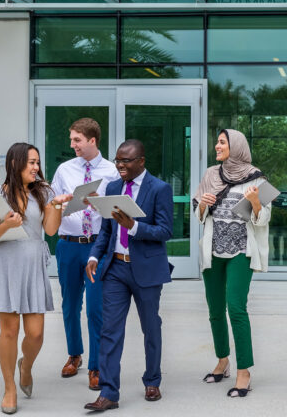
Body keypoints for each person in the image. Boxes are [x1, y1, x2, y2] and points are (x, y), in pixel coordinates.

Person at [0, 142, 72, 414]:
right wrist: (6, 224)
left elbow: (51, 231)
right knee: (8, 331)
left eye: (37, 162)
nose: (36, 167)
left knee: (36, 334)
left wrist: (55, 205)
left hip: (33, 265)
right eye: (31, 162)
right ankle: (9, 388)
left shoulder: (43, 192)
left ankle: (26, 366)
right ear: (14, 164)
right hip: (6, 264)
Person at [84, 139, 174, 411]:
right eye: (118, 160)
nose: (120, 165)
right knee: (110, 330)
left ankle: (152, 380)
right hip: (116, 270)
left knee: (150, 328)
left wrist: (134, 226)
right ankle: (109, 393)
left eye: (126, 161)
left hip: (146, 270)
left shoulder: (159, 188)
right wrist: (93, 256)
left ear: (141, 161)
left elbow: (165, 231)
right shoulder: (112, 188)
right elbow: (106, 232)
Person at [193, 129, 271, 398]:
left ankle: (244, 372)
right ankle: (222, 360)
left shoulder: (257, 177)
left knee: (236, 308)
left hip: (241, 251)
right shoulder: (210, 175)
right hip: (213, 250)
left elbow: (262, 220)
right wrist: (203, 205)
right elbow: (199, 215)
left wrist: (255, 202)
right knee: (215, 310)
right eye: (217, 141)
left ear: (236, 146)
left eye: (222, 142)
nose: (217, 145)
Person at [51, 118, 118, 390]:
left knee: (95, 309)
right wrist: (60, 203)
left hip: (96, 247)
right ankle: (74, 355)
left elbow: (117, 211)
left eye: (77, 140)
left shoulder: (112, 171)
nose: (72, 145)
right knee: (69, 305)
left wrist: (100, 205)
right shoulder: (64, 170)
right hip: (68, 243)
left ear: (92, 140)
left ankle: (96, 366)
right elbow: (51, 205)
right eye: (71, 140)